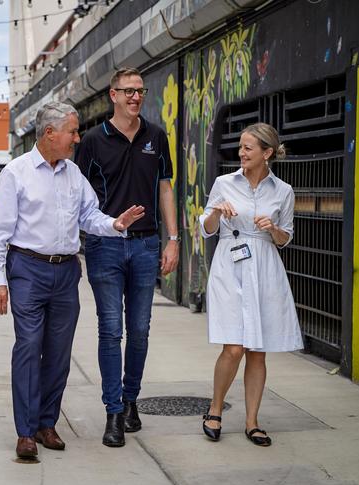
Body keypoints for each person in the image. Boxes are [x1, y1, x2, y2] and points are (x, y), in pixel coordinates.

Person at [0, 101, 146, 459]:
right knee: (28, 346)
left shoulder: (73, 173)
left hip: (66, 272)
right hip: (27, 268)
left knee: (59, 353)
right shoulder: (16, 173)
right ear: (49, 133)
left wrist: (115, 224)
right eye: (72, 131)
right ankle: (25, 432)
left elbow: (89, 215)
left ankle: (46, 424)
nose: (76, 137)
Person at [75, 67, 179, 447]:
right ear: (112, 95)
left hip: (147, 245)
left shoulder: (156, 136)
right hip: (105, 247)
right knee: (110, 330)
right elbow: (78, 196)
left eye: (140, 91)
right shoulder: (92, 140)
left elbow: (165, 188)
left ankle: (131, 399)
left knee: (139, 330)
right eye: (128, 91)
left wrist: (173, 239)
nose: (136, 97)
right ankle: (113, 411)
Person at [199, 122, 303, 447]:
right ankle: (215, 409)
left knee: (257, 351)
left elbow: (286, 238)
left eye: (248, 148)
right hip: (230, 264)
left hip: (265, 266)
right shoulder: (223, 183)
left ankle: (252, 422)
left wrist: (273, 229)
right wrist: (216, 212)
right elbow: (206, 227)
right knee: (233, 347)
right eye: (241, 147)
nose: (241, 153)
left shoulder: (283, 191)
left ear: (267, 153)